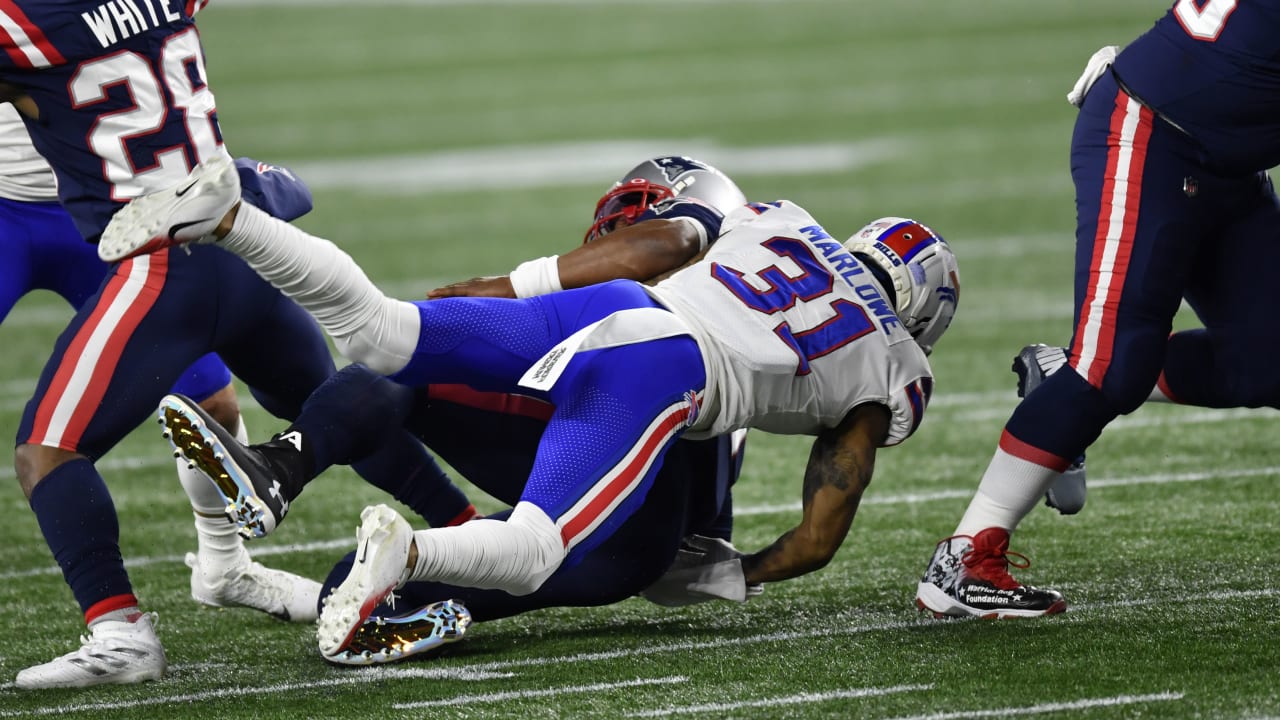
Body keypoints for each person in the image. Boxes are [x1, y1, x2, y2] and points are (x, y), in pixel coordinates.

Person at [100, 150, 960, 662]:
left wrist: (511, 284)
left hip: (619, 332)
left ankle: (232, 220)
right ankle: (394, 544)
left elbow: (666, 242)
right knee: (539, 543)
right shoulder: (890, 366)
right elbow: (818, 537)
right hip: (657, 383)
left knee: (381, 332)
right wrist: (732, 573)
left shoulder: (778, 220)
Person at [0, 1, 476, 688]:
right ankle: (466, 534)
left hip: (158, 263)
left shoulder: (24, 26)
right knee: (330, 411)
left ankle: (120, 631)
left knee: (48, 452)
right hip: (238, 240)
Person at [157, 156, 756, 664]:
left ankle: (284, 470)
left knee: (408, 358)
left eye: (635, 214)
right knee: (350, 583)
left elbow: (670, 246)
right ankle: (281, 471)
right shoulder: (706, 330)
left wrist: (517, 285)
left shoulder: (703, 313)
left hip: (624, 527)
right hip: (614, 545)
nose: (613, 232)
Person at [914, 0, 1280, 619]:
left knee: (1268, 360)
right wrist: (1158, 65)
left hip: (1226, 155)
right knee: (1113, 365)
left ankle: (1061, 373)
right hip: (1153, 133)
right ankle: (962, 560)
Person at [0, 104, 329, 624]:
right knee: (50, 446)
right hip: (7, 212)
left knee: (211, 404)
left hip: (106, 206)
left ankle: (225, 567)